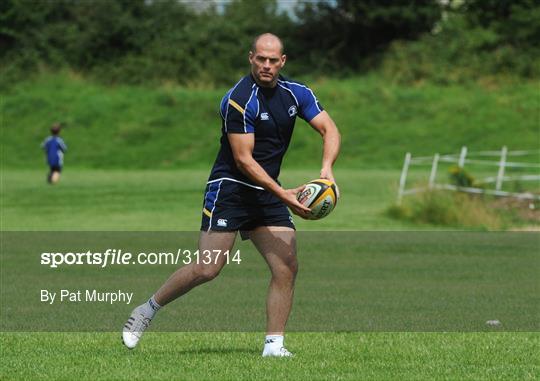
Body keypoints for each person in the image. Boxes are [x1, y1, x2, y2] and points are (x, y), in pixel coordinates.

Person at [122, 33, 341, 357]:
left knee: (287, 265)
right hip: (231, 188)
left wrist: (327, 170)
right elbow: (243, 159)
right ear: (251, 57)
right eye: (260, 59)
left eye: (273, 60)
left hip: (268, 192)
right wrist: (283, 194)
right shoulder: (239, 99)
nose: (266, 65)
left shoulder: (297, 93)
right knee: (208, 268)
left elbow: (329, 128)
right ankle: (147, 309)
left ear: (282, 62)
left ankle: (274, 346)